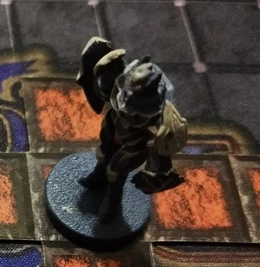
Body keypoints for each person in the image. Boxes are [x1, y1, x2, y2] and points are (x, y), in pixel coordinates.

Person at [76, 37, 188, 220]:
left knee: (116, 171)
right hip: (115, 125)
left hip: (135, 143)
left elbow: (163, 144)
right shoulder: (119, 81)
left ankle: (111, 205)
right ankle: (97, 177)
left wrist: (157, 172)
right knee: (104, 153)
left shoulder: (157, 109)